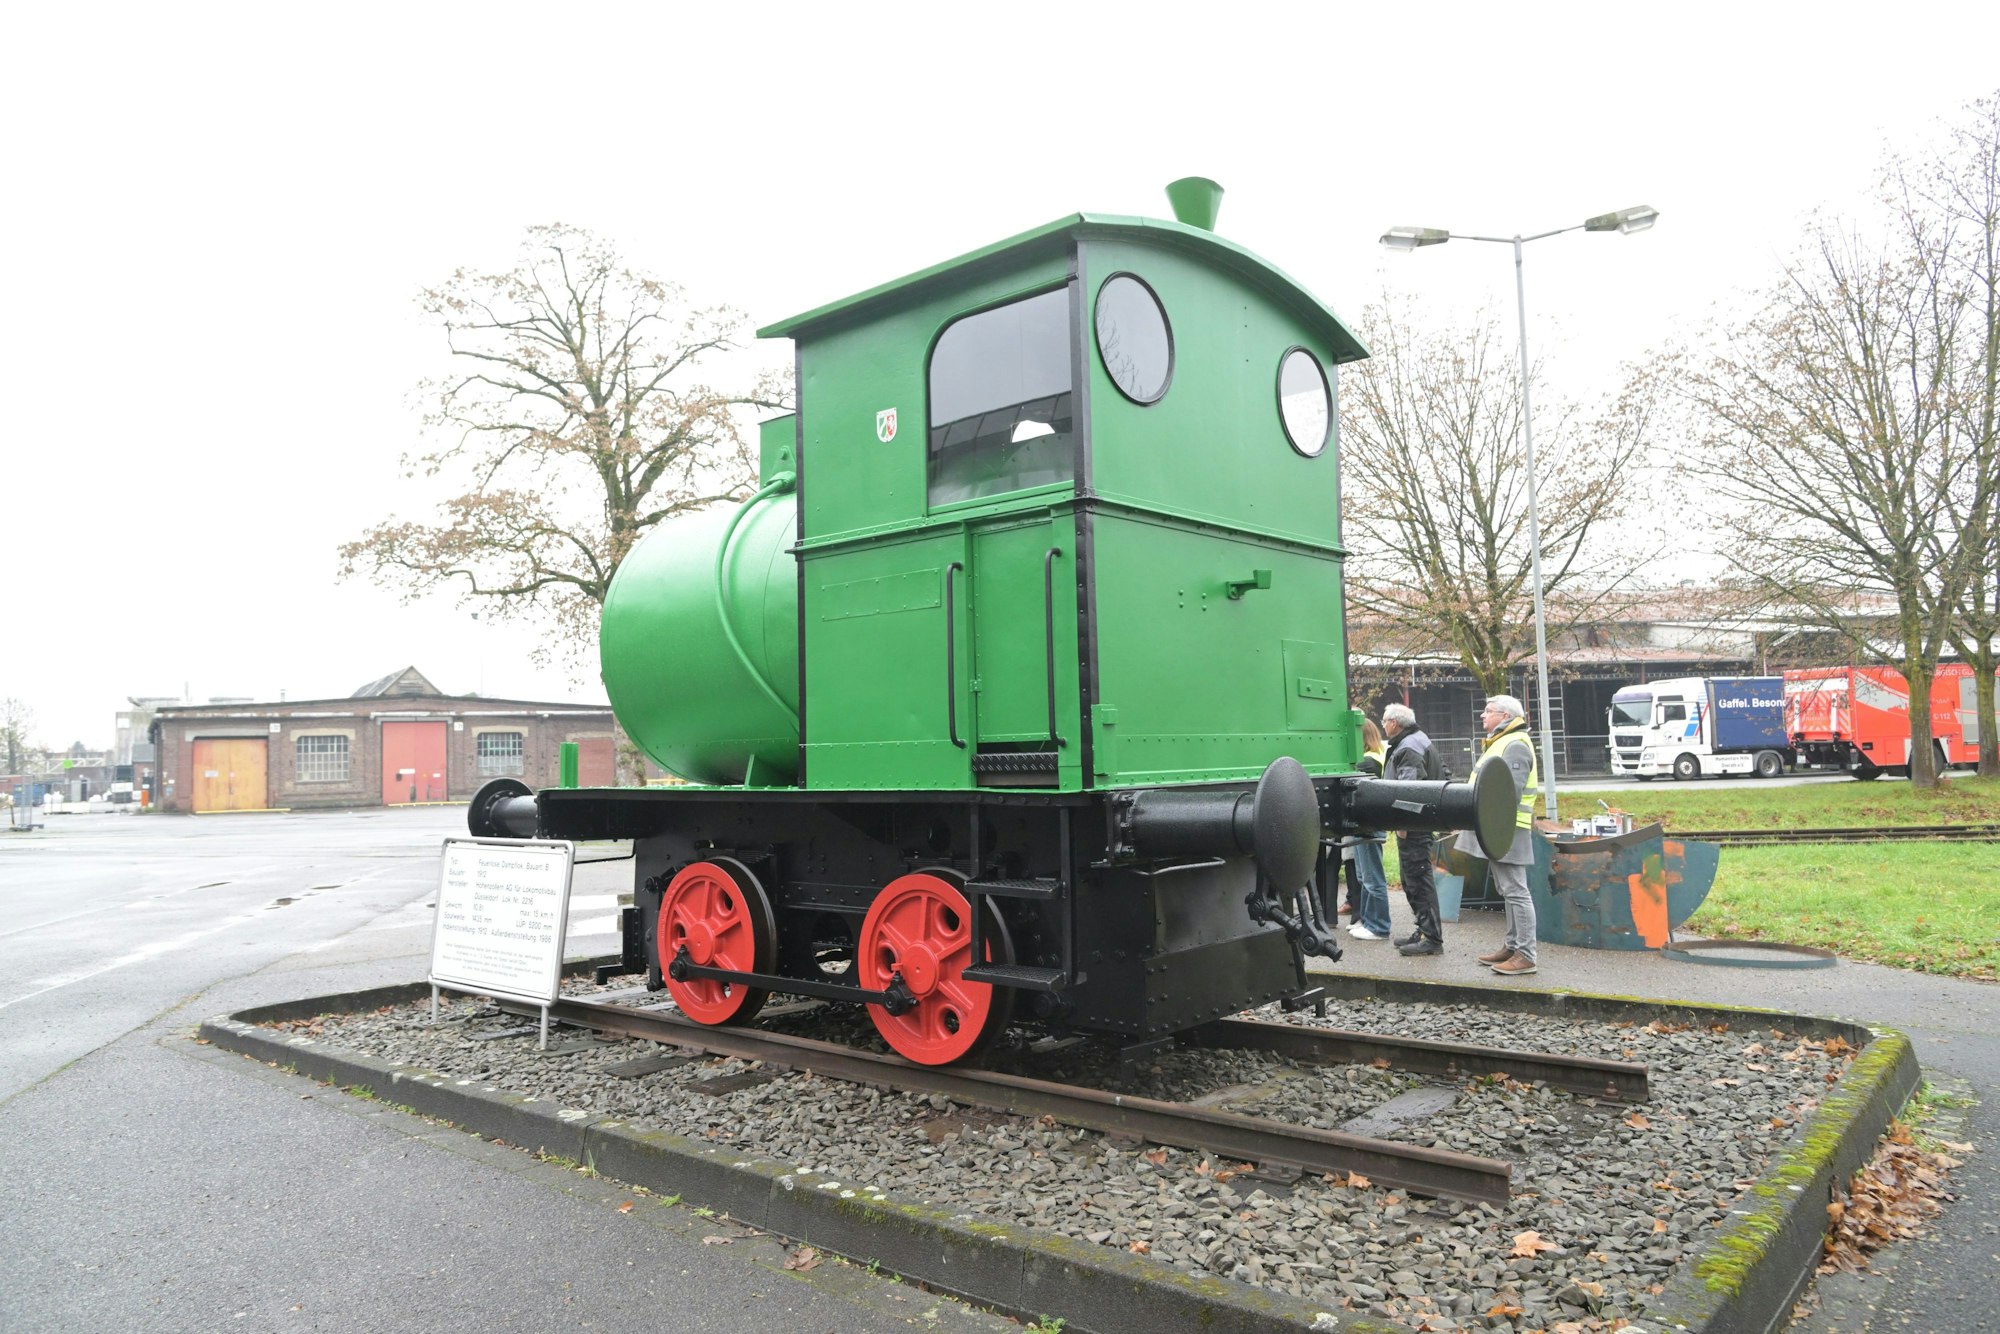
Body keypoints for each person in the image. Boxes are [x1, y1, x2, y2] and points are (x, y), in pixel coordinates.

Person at [1455, 695, 1541, 977]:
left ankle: (1525, 955)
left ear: (1505, 716)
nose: (1482, 715)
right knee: (1508, 889)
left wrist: (1489, 822)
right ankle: (1513, 946)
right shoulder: (1504, 741)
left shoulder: (1513, 744)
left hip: (1506, 828)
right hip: (1501, 828)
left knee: (1515, 890)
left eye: (1488, 711)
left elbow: (1509, 793)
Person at [1380, 703, 1444, 956]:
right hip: (1420, 824)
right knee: (1411, 880)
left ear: (1394, 723)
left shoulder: (1408, 747)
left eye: (1384, 720)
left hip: (1415, 827)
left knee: (1418, 880)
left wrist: (1403, 825)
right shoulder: (1414, 740)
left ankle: (1432, 938)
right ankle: (1423, 929)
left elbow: (1409, 791)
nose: (1383, 724)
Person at [1341, 718, 1393, 940]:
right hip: (1366, 825)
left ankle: (1378, 926)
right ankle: (1368, 921)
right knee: (1365, 877)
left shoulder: (1368, 762)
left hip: (1368, 826)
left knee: (1372, 878)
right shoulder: (1375, 757)